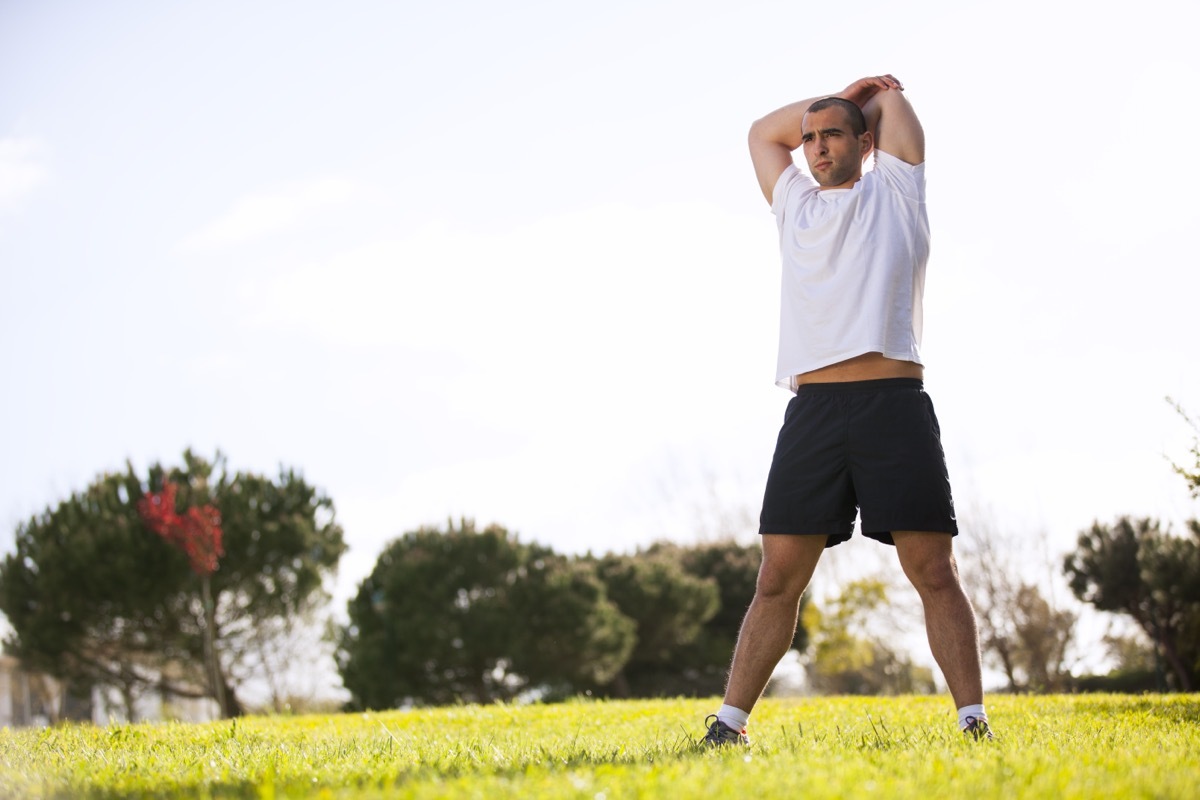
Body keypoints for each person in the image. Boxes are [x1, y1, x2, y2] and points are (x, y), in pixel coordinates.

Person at [701, 75, 992, 745]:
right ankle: (729, 726)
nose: (815, 147)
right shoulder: (795, 203)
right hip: (814, 413)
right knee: (777, 575)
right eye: (809, 139)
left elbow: (893, 105)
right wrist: (835, 96)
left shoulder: (897, 193)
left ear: (866, 142)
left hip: (892, 404)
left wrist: (862, 99)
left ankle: (973, 721)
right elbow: (760, 133)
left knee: (933, 570)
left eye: (833, 134)